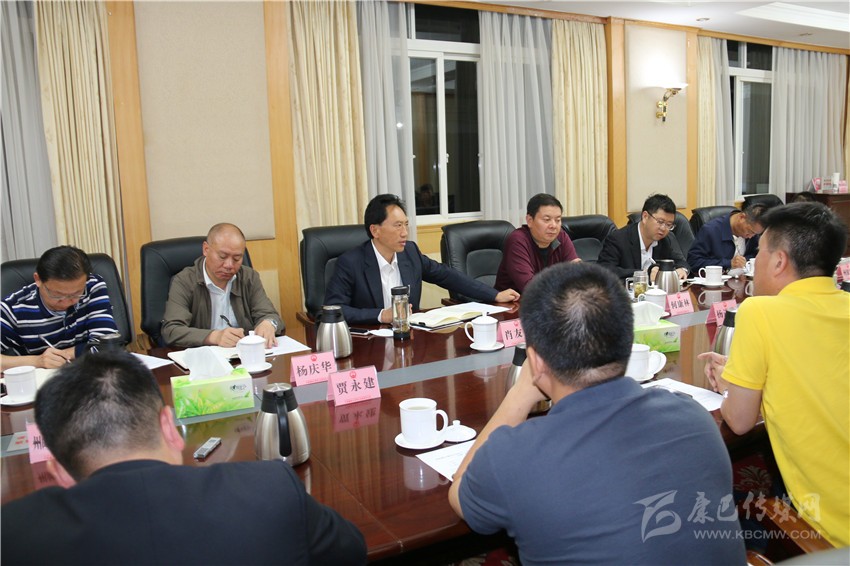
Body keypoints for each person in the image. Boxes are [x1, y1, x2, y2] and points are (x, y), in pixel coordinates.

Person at [449, 262, 745, 564]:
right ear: (628, 343)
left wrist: (523, 391)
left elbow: (460, 493)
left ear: (536, 362)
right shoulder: (694, 417)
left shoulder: (515, 455)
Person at [1, 351, 367, 565]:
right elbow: (351, 552)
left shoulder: (14, 536)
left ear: (58, 471)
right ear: (170, 427)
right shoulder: (271, 490)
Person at [699, 202, 849, 547]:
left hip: (830, 536)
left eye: (760, 253)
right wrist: (744, 373)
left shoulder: (760, 312)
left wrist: (731, 385)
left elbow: (739, 421)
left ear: (779, 262)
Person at [324, 194, 520, 325]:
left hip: (410, 339)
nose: (405, 232)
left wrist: (494, 295)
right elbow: (333, 310)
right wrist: (381, 315)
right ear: (375, 230)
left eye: (406, 225)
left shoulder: (409, 252)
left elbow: (448, 276)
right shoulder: (351, 262)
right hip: (371, 344)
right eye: (397, 226)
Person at [161, 223, 283, 348]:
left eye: (236, 258)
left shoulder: (249, 277)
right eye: (222, 257)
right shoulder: (184, 281)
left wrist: (268, 324)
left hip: (244, 354)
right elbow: (172, 330)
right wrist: (214, 336)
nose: (229, 265)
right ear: (206, 249)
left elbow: (271, 315)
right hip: (205, 355)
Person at [1, 246, 118, 370]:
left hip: (89, 371)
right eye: (57, 295)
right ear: (38, 280)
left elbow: (107, 345)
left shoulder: (93, 287)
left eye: (76, 294)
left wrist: (63, 355)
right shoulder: (13, 308)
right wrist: (38, 361)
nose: (66, 302)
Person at [495, 193, 580, 293]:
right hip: (514, 301)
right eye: (547, 220)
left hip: (551, 298)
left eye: (558, 220)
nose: (554, 225)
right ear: (530, 221)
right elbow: (531, 288)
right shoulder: (518, 240)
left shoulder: (561, 236)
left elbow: (578, 274)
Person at [598, 194, 689, 282]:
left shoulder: (665, 240)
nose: (663, 228)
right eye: (660, 222)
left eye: (669, 225)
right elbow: (605, 271)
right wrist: (644, 274)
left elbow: (680, 261)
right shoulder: (618, 239)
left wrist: (682, 270)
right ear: (645, 217)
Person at [687, 203, 772, 272]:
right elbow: (693, 262)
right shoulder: (710, 230)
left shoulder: (753, 232)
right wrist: (728, 263)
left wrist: (745, 261)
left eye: (755, 233)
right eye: (750, 231)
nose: (750, 237)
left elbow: (756, 254)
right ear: (742, 217)